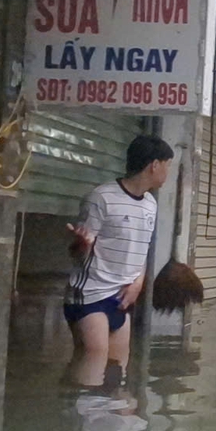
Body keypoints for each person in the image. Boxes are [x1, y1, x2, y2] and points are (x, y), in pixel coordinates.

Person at [66, 134, 172, 385]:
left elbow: (142, 251)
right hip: (91, 293)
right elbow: (76, 252)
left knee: (117, 372)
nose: (168, 172)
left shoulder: (150, 204)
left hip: (122, 296)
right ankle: (76, 413)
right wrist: (82, 244)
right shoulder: (101, 198)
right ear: (154, 165)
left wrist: (138, 284)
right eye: (168, 165)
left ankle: (113, 417)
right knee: (93, 361)